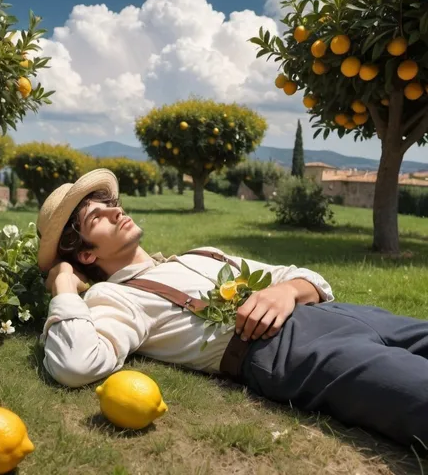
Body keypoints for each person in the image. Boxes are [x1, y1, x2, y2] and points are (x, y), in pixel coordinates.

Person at [37, 168, 428, 451]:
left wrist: (288, 291)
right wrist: (65, 285)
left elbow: (296, 275)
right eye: (96, 216)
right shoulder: (118, 297)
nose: (115, 211)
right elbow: (76, 364)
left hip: (350, 315)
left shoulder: (202, 252)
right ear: (86, 252)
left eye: (110, 204)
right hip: (295, 353)